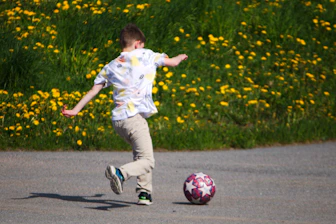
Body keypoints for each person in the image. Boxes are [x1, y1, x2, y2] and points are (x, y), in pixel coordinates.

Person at [61, 23, 188, 205]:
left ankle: (145, 193)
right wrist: (180, 56)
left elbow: (93, 90)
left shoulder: (111, 65)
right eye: (142, 45)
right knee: (148, 161)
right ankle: (121, 173)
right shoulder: (146, 55)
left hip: (118, 121)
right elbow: (173, 62)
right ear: (137, 43)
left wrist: (75, 110)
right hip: (134, 119)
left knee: (140, 154)